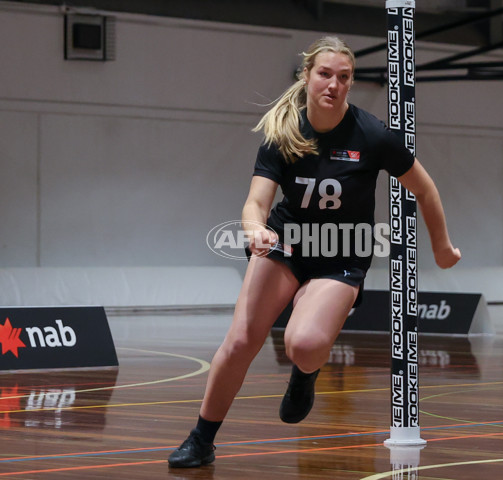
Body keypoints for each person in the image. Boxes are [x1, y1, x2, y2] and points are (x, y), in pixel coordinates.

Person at [168, 36, 461, 468]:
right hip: (286, 243)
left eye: (344, 77)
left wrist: (441, 246)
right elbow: (256, 202)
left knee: (302, 343)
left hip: (343, 253)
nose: (334, 84)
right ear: (307, 76)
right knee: (241, 340)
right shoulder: (283, 132)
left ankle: (305, 374)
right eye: (325, 74)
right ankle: (201, 439)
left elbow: (425, 188)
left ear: (351, 83)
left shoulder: (372, 134)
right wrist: (254, 229)